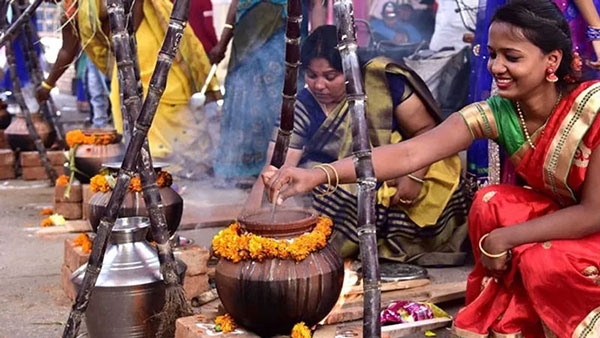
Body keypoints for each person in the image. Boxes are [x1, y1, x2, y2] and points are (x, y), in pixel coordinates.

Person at [263, 1, 600, 336]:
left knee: (542, 261)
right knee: (490, 202)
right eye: (493, 54)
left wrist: (505, 238)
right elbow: (411, 153)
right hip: (569, 219)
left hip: (591, 223)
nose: (496, 67)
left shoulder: (593, 110)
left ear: (551, 60)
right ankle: (516, 315)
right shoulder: (500, 112)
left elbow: (592, 213)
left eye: (512, 57)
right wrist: (316, 175)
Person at [249, 25, 469, 265]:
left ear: (351, 69)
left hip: (401, 166)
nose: (319, 85)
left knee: (442, 184)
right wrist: (249, 232)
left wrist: (414, 177)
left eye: (330, 76)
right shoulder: (301, 107)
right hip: (339, 182)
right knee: (325, 196)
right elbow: (276, 172)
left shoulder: (382, 81)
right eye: (311, 76)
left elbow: (426, 130)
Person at [36, 0, 219, 171]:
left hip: (148, 44)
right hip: (125, 52)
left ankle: (179, 167)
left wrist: (127, 40)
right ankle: (153, 167)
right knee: (126, 105)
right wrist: (47, 85)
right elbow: (67, 49)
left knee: (159, 101)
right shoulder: (69, 8)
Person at [208, 0, 324, 187]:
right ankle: (240, 168)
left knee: (279, 101)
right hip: (246, 36)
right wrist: (223, 42)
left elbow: (317, 4)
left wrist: (320, 44)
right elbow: (236, 4)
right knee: (242, 92)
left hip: (285, 35)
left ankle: (283, 167)